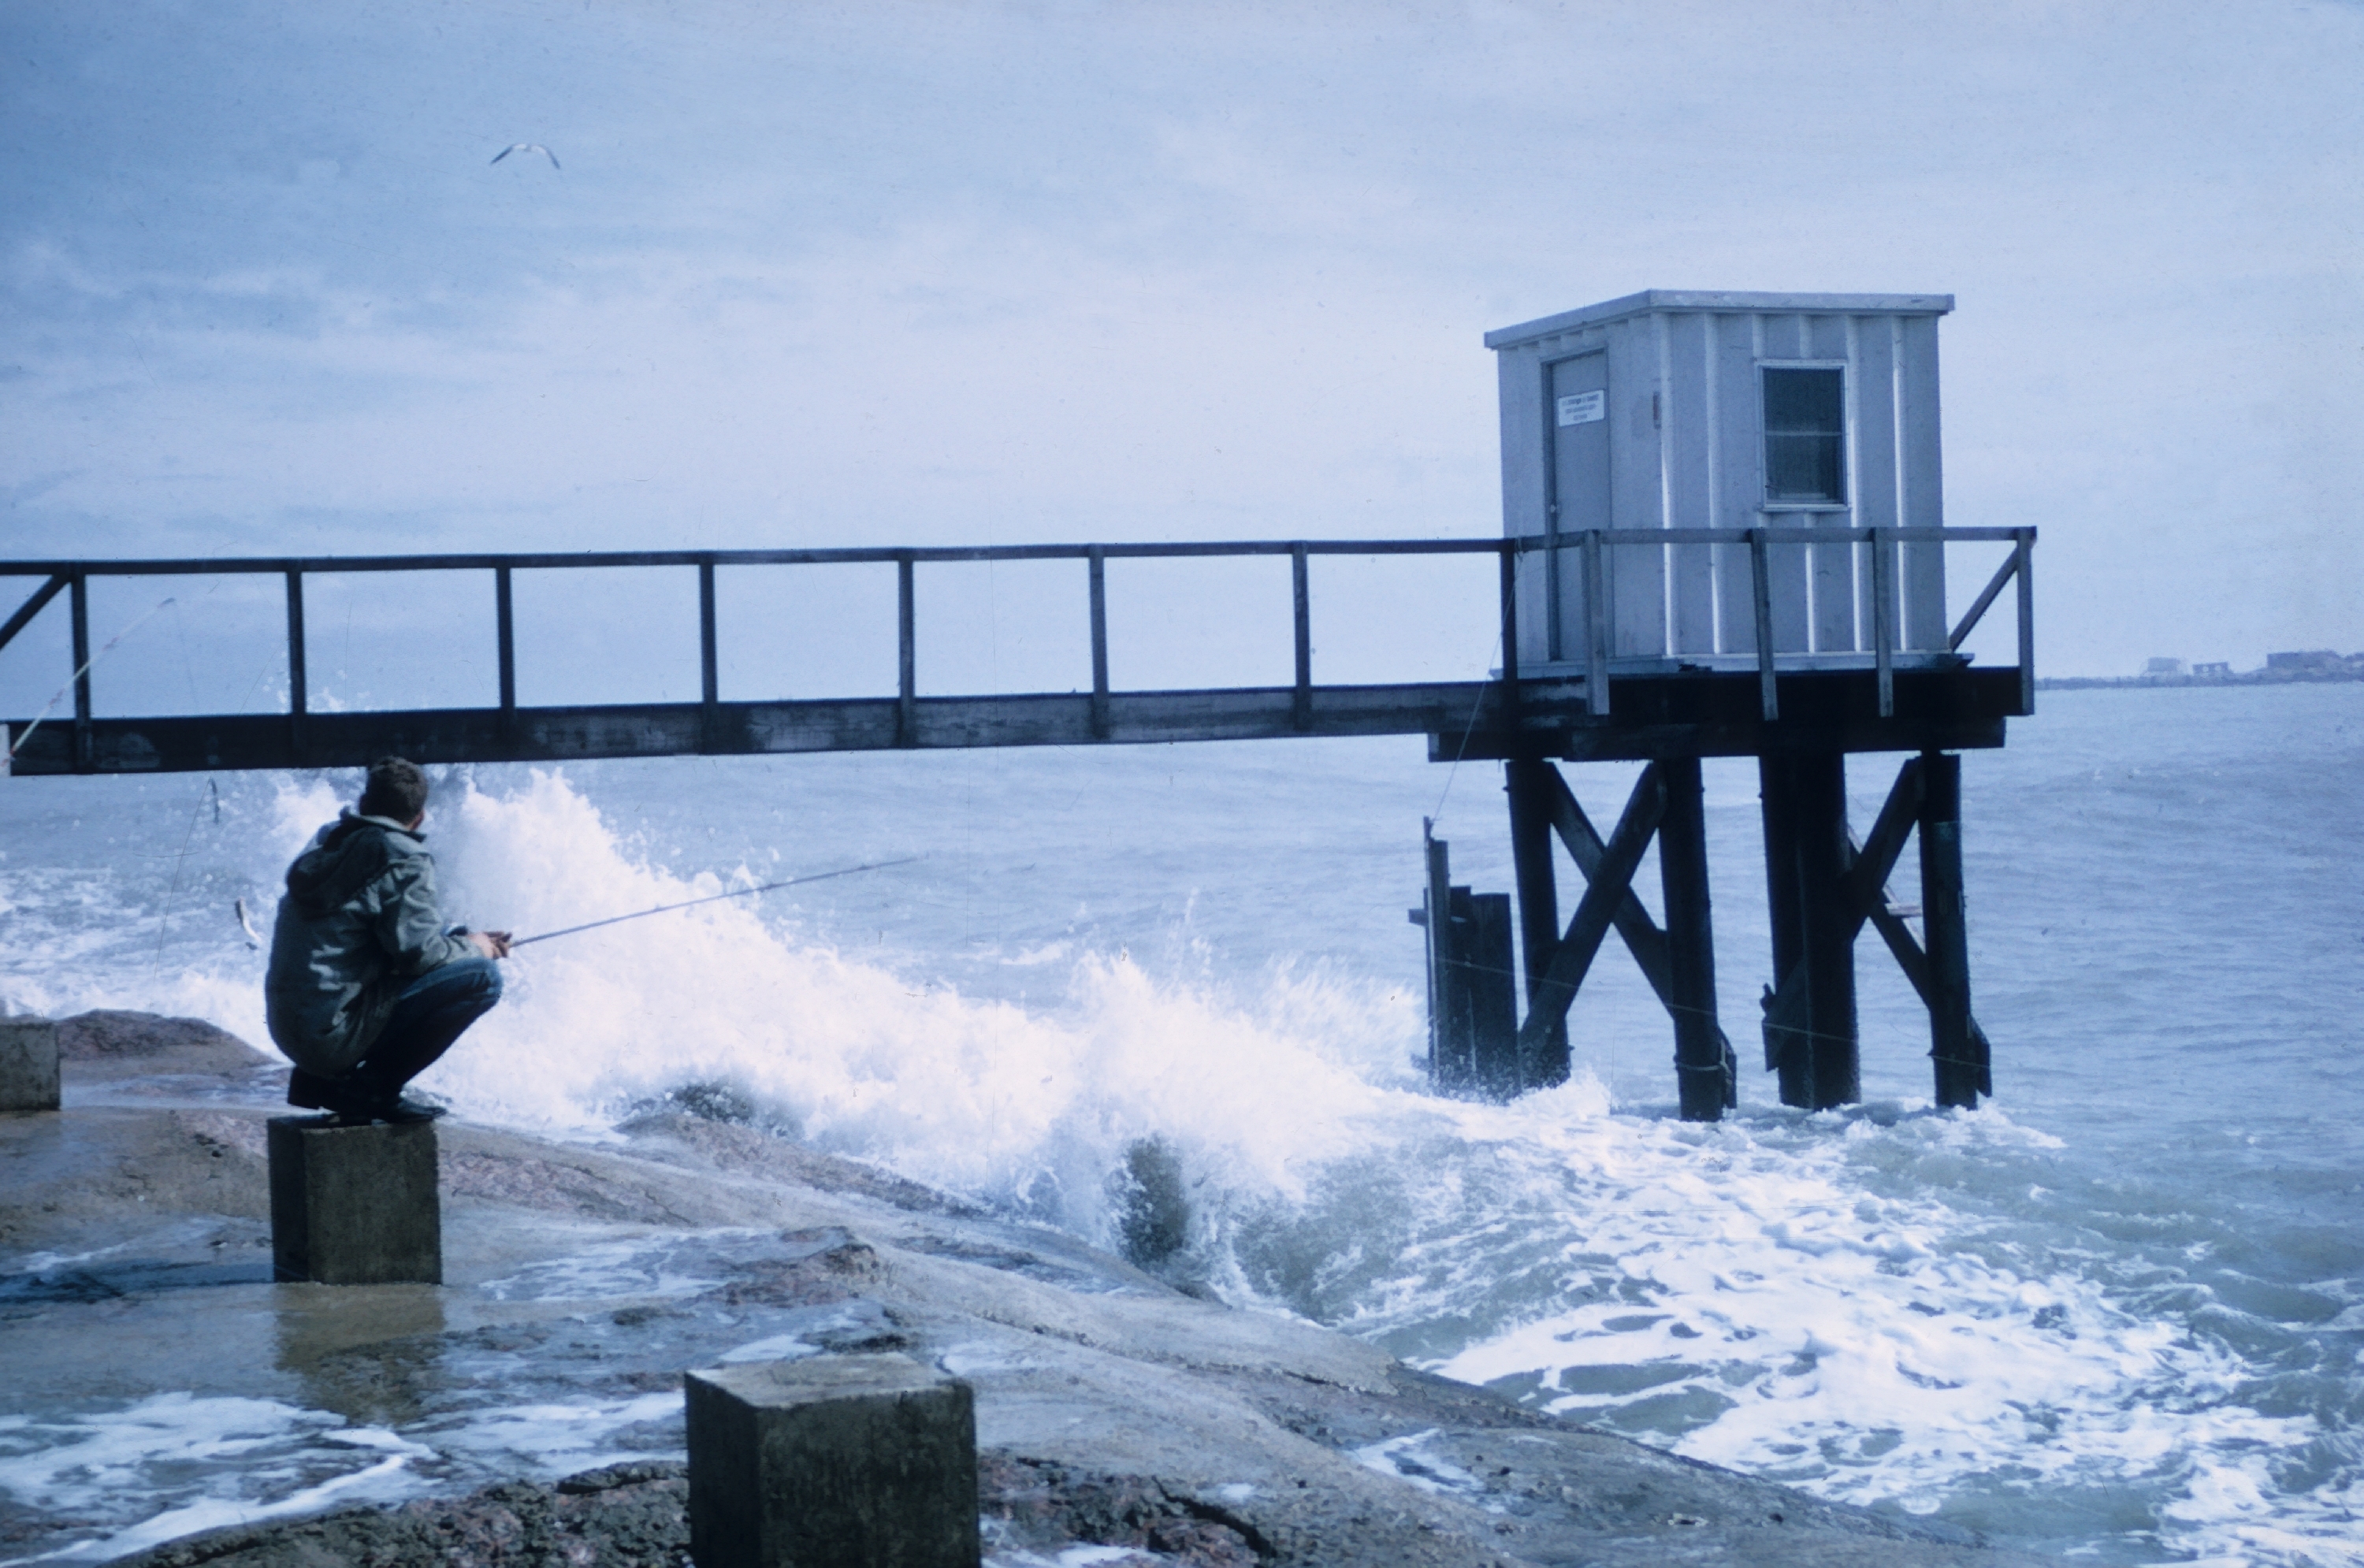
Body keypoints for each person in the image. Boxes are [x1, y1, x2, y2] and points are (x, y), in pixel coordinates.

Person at [265, 756, 511, 1124]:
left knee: (455, 951)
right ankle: (374, 1090)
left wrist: (460, 941)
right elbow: (419, 957)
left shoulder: (328, 841)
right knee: (482, 979)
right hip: (330, 1037)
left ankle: (321, 1083)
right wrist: (478, 948)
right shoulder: (403, 855)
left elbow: (384, 943)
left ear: (364, 804)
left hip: (289, 1028)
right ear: (420, 816)